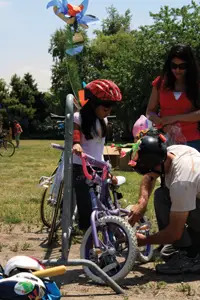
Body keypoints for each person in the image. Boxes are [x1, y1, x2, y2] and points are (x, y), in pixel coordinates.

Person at [128, 134, 200, 274]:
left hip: (188, 188)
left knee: (163, 197)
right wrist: (142, 203)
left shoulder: (182, 181)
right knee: (162, 195)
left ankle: (189, 257)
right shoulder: (171, 152)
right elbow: (149, 176)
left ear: (156, 164)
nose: (148, 174)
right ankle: (190, 245)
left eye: (149, 169)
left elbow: (174, 232)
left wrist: (144, 241)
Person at [72, 79, 122, 230]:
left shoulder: (103, 120)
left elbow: (99, 144)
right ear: (93, 104)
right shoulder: (78, 118)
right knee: (86, 202)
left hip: (99, 165)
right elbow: (75, 134)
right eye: (106, 108)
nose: (108, 112)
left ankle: (107, 228)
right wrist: (76, 143)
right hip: (81, 166)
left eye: (110, 108)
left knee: (104, 200)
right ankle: (88, 232)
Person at [146, 44, 200, 151]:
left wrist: (174, 118)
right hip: (165, 140)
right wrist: (155, 118)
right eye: (174, 66)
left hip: (193, 141)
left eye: (182, 66)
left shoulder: (197, 84)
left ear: (190, 65)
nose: (177, 70)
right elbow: (149, 111)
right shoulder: (160, 82)